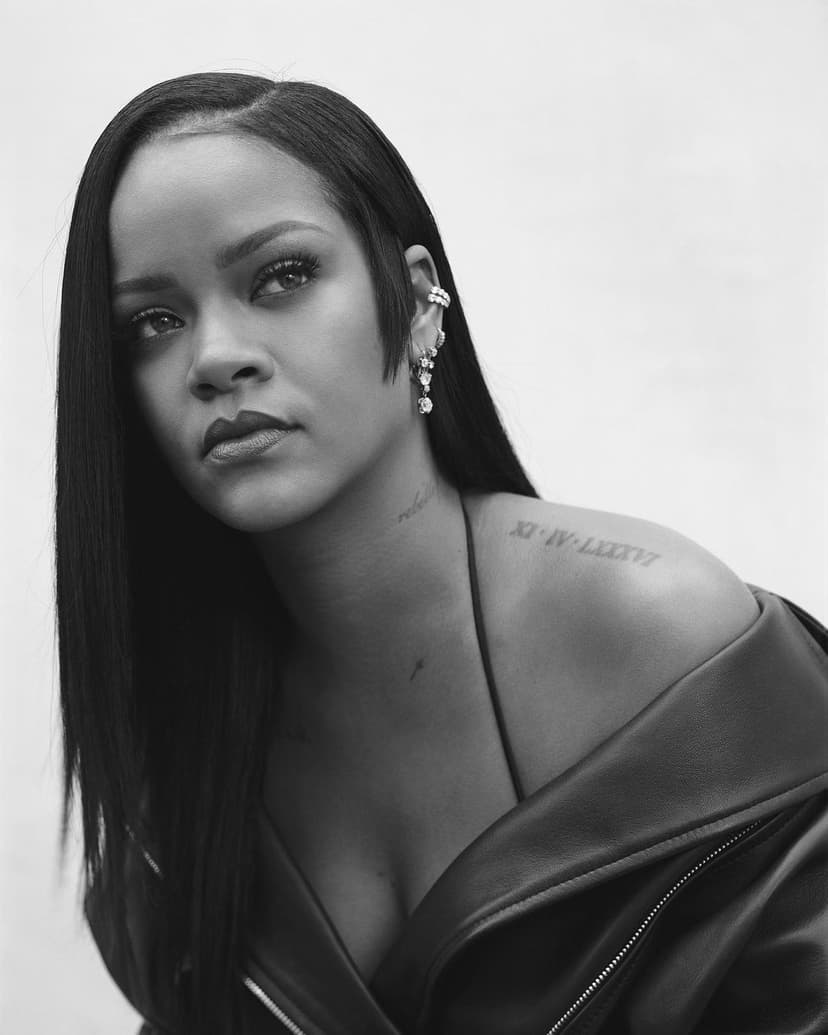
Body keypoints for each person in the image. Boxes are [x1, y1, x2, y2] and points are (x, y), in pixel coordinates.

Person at [55, 73, 828, 1035]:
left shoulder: (662, 629)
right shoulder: (177, 753)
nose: (215, 356)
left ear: (419, 300)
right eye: (153, 322)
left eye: (281, 276)